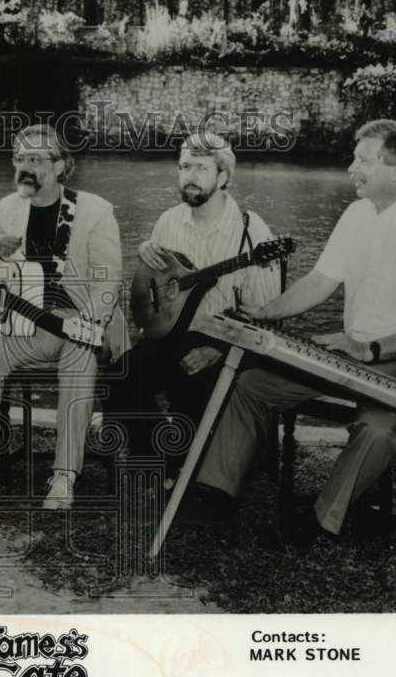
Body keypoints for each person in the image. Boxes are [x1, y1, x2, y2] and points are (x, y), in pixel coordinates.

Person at [195, 119, 396, 545]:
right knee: (253, 386)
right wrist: (264, 312)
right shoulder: (356, 214)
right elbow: (319, 283)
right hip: (351, 353)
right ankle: (215, 494)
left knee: (378, 427)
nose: (349, 169)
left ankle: (321, 520)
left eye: (362, 159)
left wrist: (370, 350)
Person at [0, 124, 125, 510]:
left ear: (61, 165)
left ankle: (64, 475)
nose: (25, 167)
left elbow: (108, 281)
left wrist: (90, 325)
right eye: (20, 158)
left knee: (80, 355)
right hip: (27, 325)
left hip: (83, 320)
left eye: (36, 159)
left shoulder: (94, 211)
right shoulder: (9, 208)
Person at [104, 131, 281, 469]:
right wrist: (145, 257)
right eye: (184, 167)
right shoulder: (169, 221)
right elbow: (150, 285)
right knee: (119, 378)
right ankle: (156, 459)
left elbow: (266, 313)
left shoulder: (250, 230)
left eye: (201, 168)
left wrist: (220, 349)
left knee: (195, 386)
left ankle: (187, 469)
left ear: (224, 175)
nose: (190, 176)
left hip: (229, 340)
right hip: (173, 333)